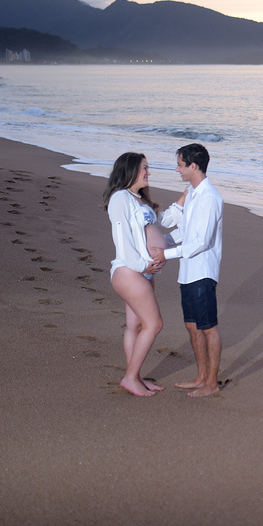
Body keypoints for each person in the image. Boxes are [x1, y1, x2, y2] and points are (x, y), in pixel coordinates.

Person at [156, 143, 224, 397]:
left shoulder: (210, 197)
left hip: (203, 272)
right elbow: (183, 230)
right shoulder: (194, 194)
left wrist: (165, 253)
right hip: (187, 271)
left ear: (193, 166)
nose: (177, 169)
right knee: (192, 326)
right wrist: (163, 243)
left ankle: (212, 384)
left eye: (180, 164)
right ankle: (201, 377)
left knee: (208, 327)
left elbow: (201, 241)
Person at [104, 152, 166, 397]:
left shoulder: (138, 199)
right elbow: (122, 240)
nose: (148, 172)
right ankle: (130, 378)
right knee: (154, 323)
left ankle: (135, 376)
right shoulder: (120, 198)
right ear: (130, 170)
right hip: (130, 271)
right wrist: (142, 265)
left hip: (142, 273)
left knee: (135, 325)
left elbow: (148, 234)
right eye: (144, 168)